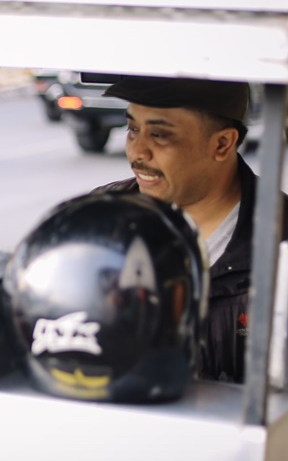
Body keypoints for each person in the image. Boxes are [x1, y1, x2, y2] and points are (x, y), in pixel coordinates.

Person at [92, 75, 288, 384]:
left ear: (222, 144)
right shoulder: (96, 219)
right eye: (132, 129)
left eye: (158, 134)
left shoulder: (279, 241)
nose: (137, 152)